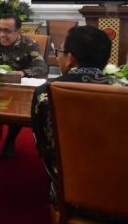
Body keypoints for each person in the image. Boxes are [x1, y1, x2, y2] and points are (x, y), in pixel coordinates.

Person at [31, 26, 124, 219]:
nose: (59, 56)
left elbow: (43, 147)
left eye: (60, 52)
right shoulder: (122, 91)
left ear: (70, 58)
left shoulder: (46, 92)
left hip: (70, 194)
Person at [0, 13, 48, 160]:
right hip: (0, 85)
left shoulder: (29, 44)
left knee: (18, 106)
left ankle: (10, 140)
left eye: (7, 31)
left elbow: (42, 68)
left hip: (20, 88)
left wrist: (23, 72)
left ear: (18, 31)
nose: (2, 35)